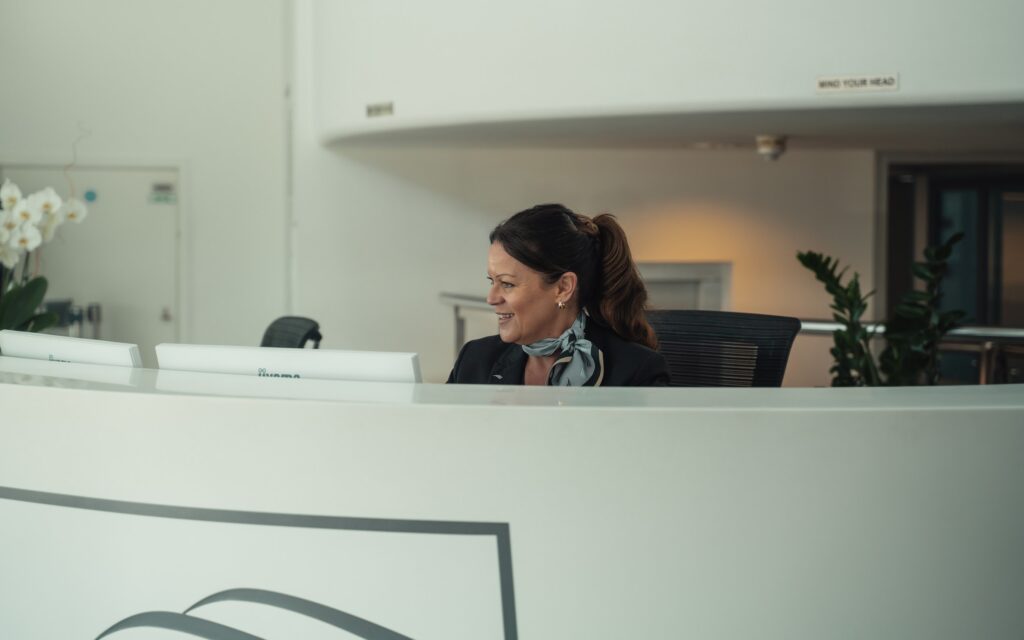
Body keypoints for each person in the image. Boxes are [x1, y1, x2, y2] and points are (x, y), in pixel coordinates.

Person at [447, 203, 670, 386]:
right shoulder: (474, 359)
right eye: (492, 281)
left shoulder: (637, 370)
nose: (491, 298)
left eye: (507, 284)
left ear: (563, 288)